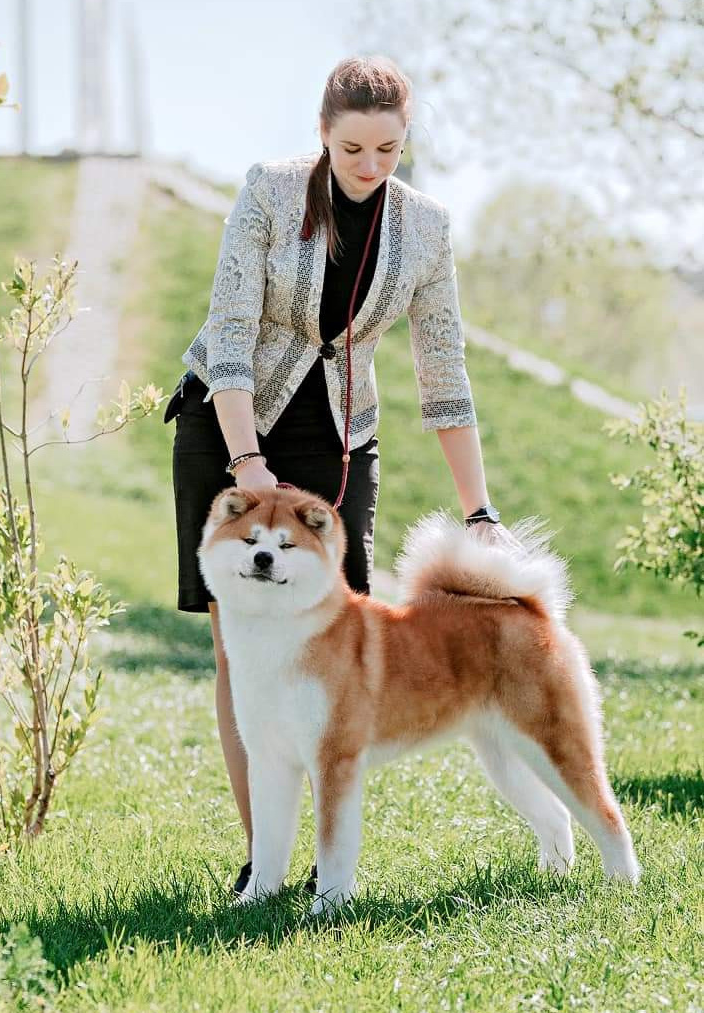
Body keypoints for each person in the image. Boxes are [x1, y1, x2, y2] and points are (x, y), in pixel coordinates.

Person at [168, 55, 519, 896]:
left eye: (389, 151)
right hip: (233, 416)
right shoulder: (269, 190)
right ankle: (266, 861)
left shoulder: (426, 228)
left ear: (405, 142)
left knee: (339, 638)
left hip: (338, 433)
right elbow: (229, 333)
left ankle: (333, 852)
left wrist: (480, 508)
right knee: (238, 645)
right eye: (354, 149)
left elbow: (445, 373)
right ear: (323, 134)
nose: (369, 167)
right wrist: (249, 466)